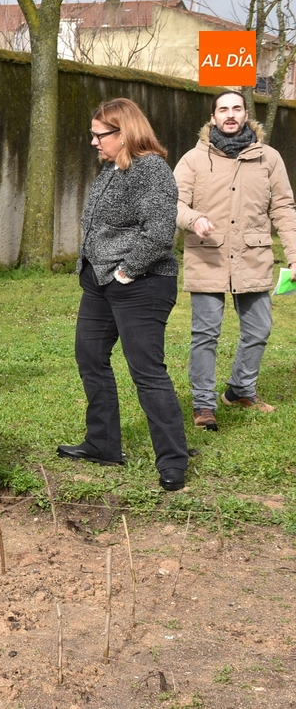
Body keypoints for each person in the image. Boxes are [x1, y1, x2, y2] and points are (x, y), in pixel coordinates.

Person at [58, 98, 187, 491]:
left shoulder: (152, 170)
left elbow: (159, 233)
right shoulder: (113, 168)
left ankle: (173, 460)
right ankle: (102, 444)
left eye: (100, 135)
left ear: (124, 133)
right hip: (99, 282)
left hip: (142, 284)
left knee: (146, 371)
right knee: (90, 357)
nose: (93, 142)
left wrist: (126, 271)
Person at [174, 90, 296, 431]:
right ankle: (203, 404)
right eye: (223, 109)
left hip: (253, 257)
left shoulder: (268, 158)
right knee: (205, 334)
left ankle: (240, 389)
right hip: (208, 255)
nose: (230, 114)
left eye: (237, 108)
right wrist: (194, 219)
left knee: (259, 329)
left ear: (246, 114)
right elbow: (174, 203)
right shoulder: (193, 159)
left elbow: (283, 208)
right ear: (213, 117)